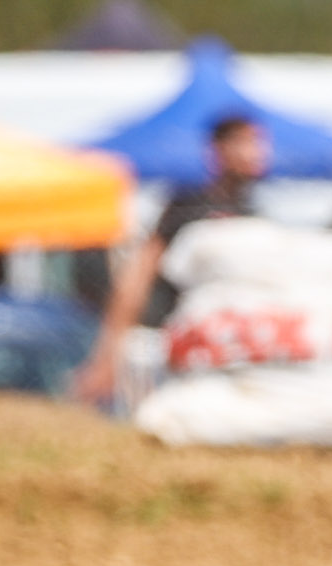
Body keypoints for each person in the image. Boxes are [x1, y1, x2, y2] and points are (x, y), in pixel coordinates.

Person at [69, 113, 267, 405]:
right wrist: (107, 355)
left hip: (229, 352)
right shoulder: (189, 206)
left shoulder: (255, 214)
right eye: (244, 142)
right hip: (169, 347)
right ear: (217, 149)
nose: (256, 152)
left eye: (258, 142)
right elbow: (138, 275)